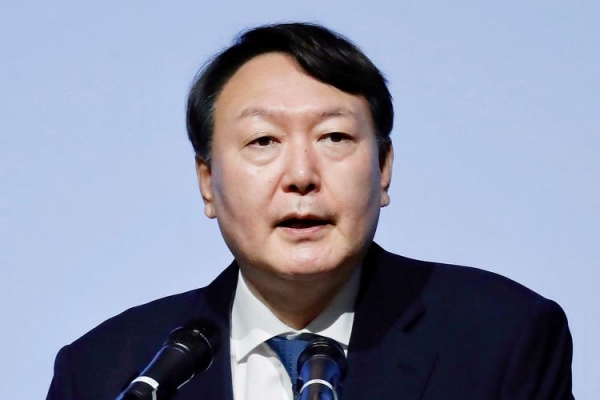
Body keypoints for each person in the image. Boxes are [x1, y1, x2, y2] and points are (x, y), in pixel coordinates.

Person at [47, 22, 574, 400]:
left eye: (334, 137)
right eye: (263, 141)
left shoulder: (502, 336)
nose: (301, 174)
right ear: (207, 182)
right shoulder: (104, 370)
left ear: (383, 167)